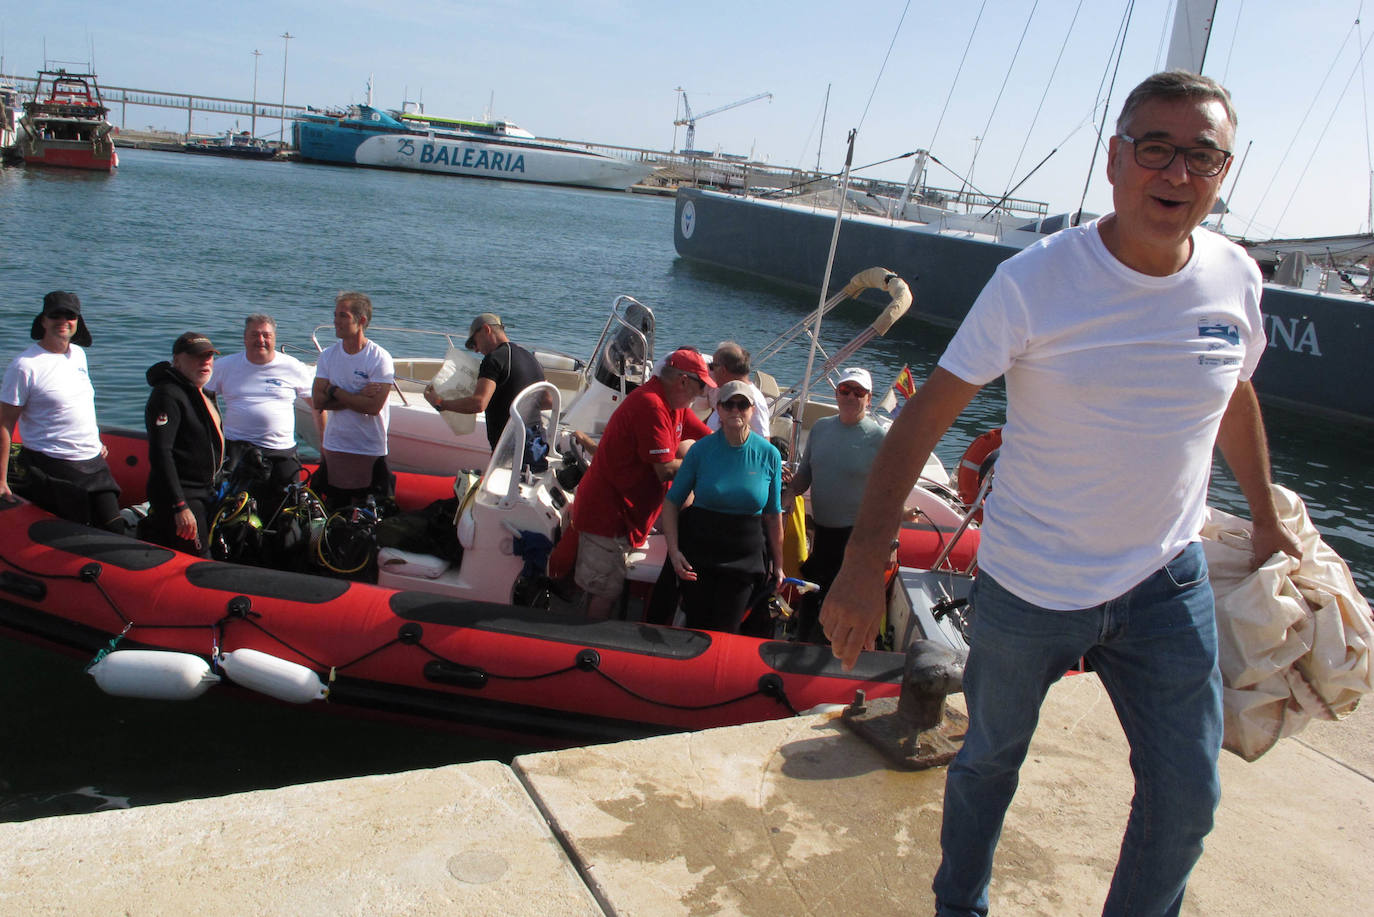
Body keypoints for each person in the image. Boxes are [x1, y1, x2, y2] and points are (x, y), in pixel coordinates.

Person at [820, 70, 1303, 917]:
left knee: (1188, 795)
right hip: (1030, 586)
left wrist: (1265, 517)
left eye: (1202, 155)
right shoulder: (1035, 281)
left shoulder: (1236, 277)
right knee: (988, 763)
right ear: (1114, 158)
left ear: (1223, 172)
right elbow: (921, 420)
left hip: (1167, 581)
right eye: (1155, 148)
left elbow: (1234, 395)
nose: (1177, 173)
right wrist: (864, 563)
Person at [570, 347, 714, 620]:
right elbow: (665, 470)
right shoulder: (651, 404)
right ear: (683, 381)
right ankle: (581, 641)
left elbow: (711, 439)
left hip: (630, 514)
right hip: (608, 514)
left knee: (607, 587)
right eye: (701, 387)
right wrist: (705, 465)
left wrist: (743, 452)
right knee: (603, 591)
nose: (701, 394)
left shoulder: (675, 406)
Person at [661, 380, 784, 633]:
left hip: (745, 558)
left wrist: (779, 565)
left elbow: (773, 516)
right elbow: (672, 502)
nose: (735, 410)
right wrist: (674, 552)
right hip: (700, 553)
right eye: (729, 404)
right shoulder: (700, 451)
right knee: (696, 625)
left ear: (752, 410)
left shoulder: (769, 454)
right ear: (718, 409)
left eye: (742, 405)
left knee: (727, 628)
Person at [0, 291, 122, 531]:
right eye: (56, 315)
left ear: (78, 321)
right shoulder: (25, 366)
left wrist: (94, 440)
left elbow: (78, 404)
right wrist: (1, 480)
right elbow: (4, 423)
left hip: (93, 463)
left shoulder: (78, 355)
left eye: (70, 315)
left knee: (115, 528)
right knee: (75, 533)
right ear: (43, 321)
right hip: (53, 464)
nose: (63, 321)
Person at [782, 366, 885, 644]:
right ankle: (803, 644)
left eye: (858, 392)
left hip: (855, 538)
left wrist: (889, 541)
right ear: (837, 394)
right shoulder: (821, 428)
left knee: (837, 607)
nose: (851, 396)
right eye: (845, 390)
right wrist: (790, 493)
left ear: (869, 398)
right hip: (822, 534)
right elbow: (805, 473)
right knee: (812, 595)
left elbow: (889, 492)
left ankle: (833, 652)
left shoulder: (878, 438)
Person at [205, 313, 315, 515]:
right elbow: (202, 397)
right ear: (244, 338)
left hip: (281, 451)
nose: (261, 340)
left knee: (286, 512)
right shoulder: (225, 366)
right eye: (255, 334)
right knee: (234, 512)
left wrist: (325, 443)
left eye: (266, 335)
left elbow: (317, 406)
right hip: (238, 450)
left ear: (274, 338)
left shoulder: (292, 366)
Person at [142, 332, 225, 556]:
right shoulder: (168, 395)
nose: (205, 362)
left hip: (204, 491)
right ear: (177, 361)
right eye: (197, 356)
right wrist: (179, 505)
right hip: (182, 496)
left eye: (209, 356)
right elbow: (161, 452)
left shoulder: (200, 393)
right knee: (198, 558)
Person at [310, 291, 394, 508]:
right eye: (335, 315)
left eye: (343, 316)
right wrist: (358, 396)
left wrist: (334, 390)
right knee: (333, 509)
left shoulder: (379, 358)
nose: (335, 321)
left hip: (369, 448)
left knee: (371, 512)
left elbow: (373, 407)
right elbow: (318, 402)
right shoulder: (328, 356)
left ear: (361, 320)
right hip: (336, 446)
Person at [424, 312, 545, 450]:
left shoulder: (494, 359)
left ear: (486, 330)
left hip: (509, 448)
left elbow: (478, 403)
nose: (476, 350)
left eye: (474, 343)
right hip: (536, 443)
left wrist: (440, 403)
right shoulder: (531, 358)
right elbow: (548, 400)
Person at [705, 341, 770, 437]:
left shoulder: (753, 399)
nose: (711, 371)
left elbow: (763, 439)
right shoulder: (725, 393)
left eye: (712, 366)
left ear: (723, 370)